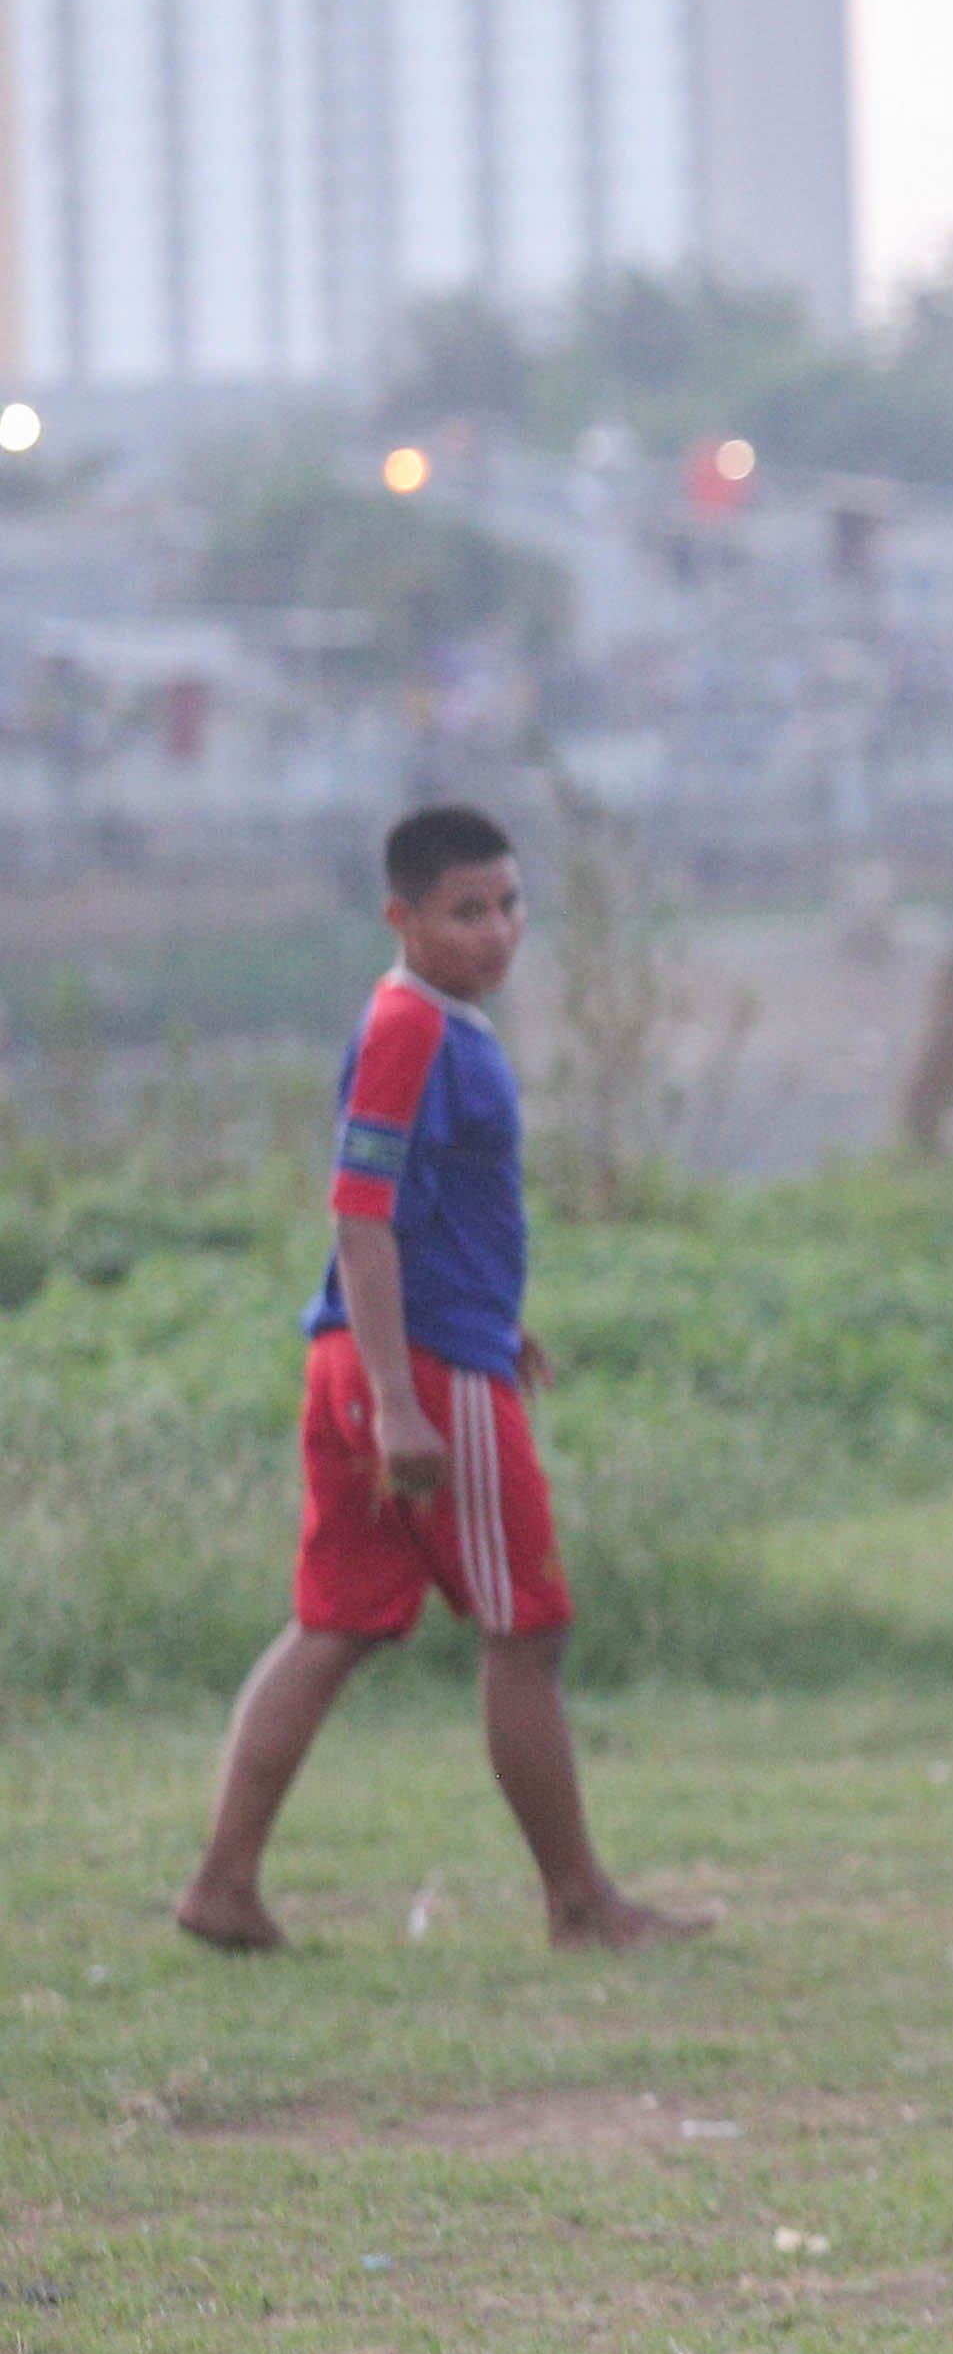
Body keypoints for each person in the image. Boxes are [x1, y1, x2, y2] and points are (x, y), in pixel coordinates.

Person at [172, 805, 703, 1959]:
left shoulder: (440, 1023)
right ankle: (579, 1905)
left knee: (335, 1623)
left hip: (404, 1355)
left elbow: (432, 1216)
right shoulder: (410, 1027)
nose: (497, 931)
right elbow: (360, 1215)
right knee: (526, 1628)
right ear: (401, 916)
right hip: (411, 1376)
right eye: (467, 911)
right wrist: (405, 1398)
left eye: (510, 905)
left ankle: (222, 1886)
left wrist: (496, 1325)